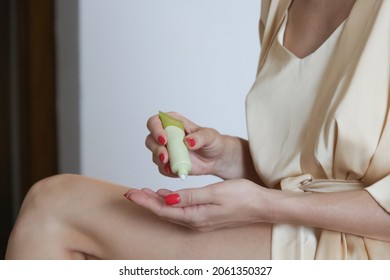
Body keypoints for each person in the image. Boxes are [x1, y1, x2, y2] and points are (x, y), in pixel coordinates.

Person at [6, 0, 390, 259]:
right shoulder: (279, 5)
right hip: (305, 226)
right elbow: (315, 175)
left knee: (54, 208)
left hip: (368, 248)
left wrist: (262, 204)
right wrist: (227, 156)